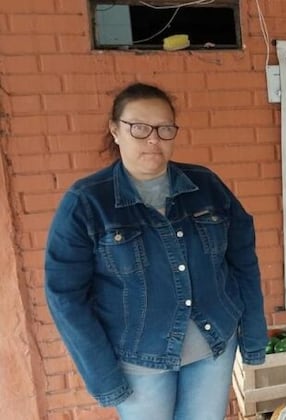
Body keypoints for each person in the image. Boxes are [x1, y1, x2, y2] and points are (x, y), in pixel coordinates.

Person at [44, 82, 268, 419]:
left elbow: (243, 262)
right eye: (139, 128)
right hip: (138, 361)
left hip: (213, 350)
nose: (153, 139)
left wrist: (253, 334)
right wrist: (102, 374)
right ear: (115, 130)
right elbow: (65, 296)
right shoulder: (88, 202)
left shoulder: (205, 186)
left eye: (165, 129)